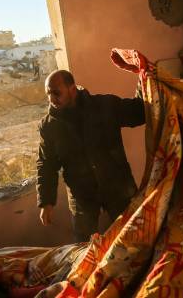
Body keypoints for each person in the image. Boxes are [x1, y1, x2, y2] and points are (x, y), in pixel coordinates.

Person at [36, 70, 145, 242]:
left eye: (56, 93)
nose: (52, 99)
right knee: (84, 248)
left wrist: (144, 77)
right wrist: (46, 201)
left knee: (136, 236)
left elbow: (140, 112)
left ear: (72, 89)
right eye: (48, 94)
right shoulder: (49, 126)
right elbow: (46, 163)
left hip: (118, 187)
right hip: (82, 196)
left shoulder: (105, 106)